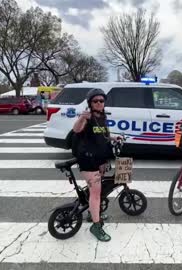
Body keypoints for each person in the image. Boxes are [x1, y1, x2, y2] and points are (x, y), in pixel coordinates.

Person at [72, 88, 115, 241]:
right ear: (90, 103)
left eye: (101, 101)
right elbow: (76, 130)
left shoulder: (102, 117)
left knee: (97, 190)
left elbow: (104, 136)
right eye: (95, 101)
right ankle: (96, 226)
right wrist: (82, 118)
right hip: (88, 160)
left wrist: (114, 139)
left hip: (100, 159)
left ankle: (92, 212)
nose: (98, 103)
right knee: (96, 194)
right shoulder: (87, 116)